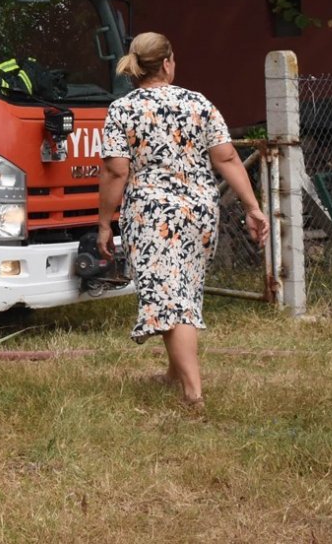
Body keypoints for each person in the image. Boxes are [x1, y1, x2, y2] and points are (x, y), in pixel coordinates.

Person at [97, 32, 269, 409]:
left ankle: (193, 395)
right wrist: (253, 207)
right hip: (200, 212)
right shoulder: (199, 103)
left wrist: (105, 223)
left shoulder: (122, 110)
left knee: (171, 300)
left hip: (153, 215)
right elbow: (226, 159)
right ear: (169, 62)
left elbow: (115, 173)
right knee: (180, 293)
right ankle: (175, 375)